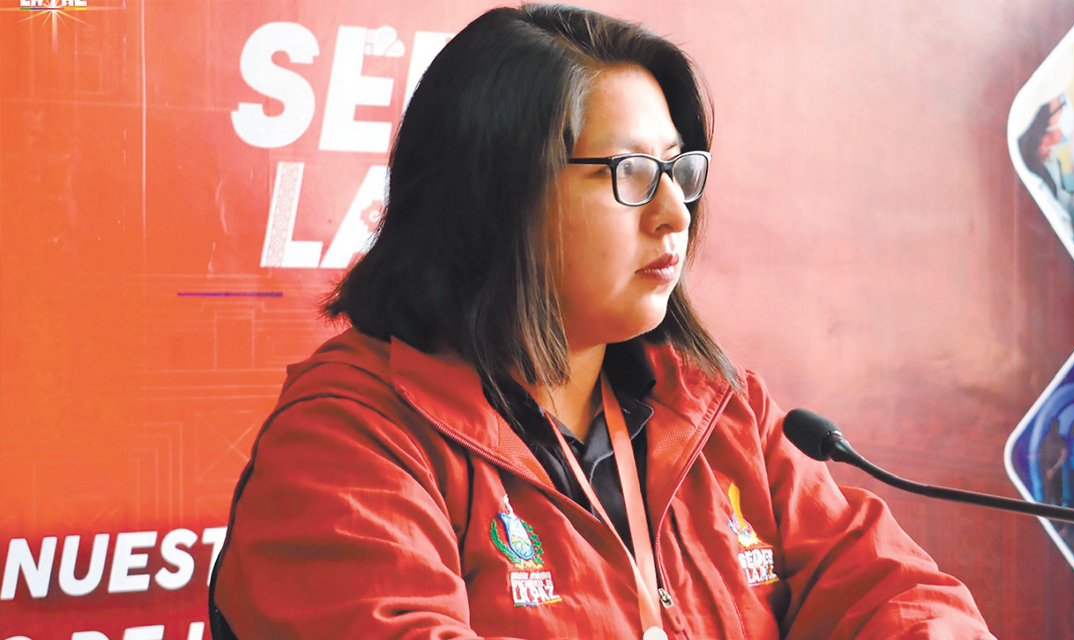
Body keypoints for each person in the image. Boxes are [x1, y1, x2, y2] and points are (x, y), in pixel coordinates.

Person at [208, 5, 993, 639]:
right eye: (631, 174)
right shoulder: (349, 438)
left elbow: (905, 597)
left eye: (679, 171)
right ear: (498, 194)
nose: (672, 214)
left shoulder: (720, 411)